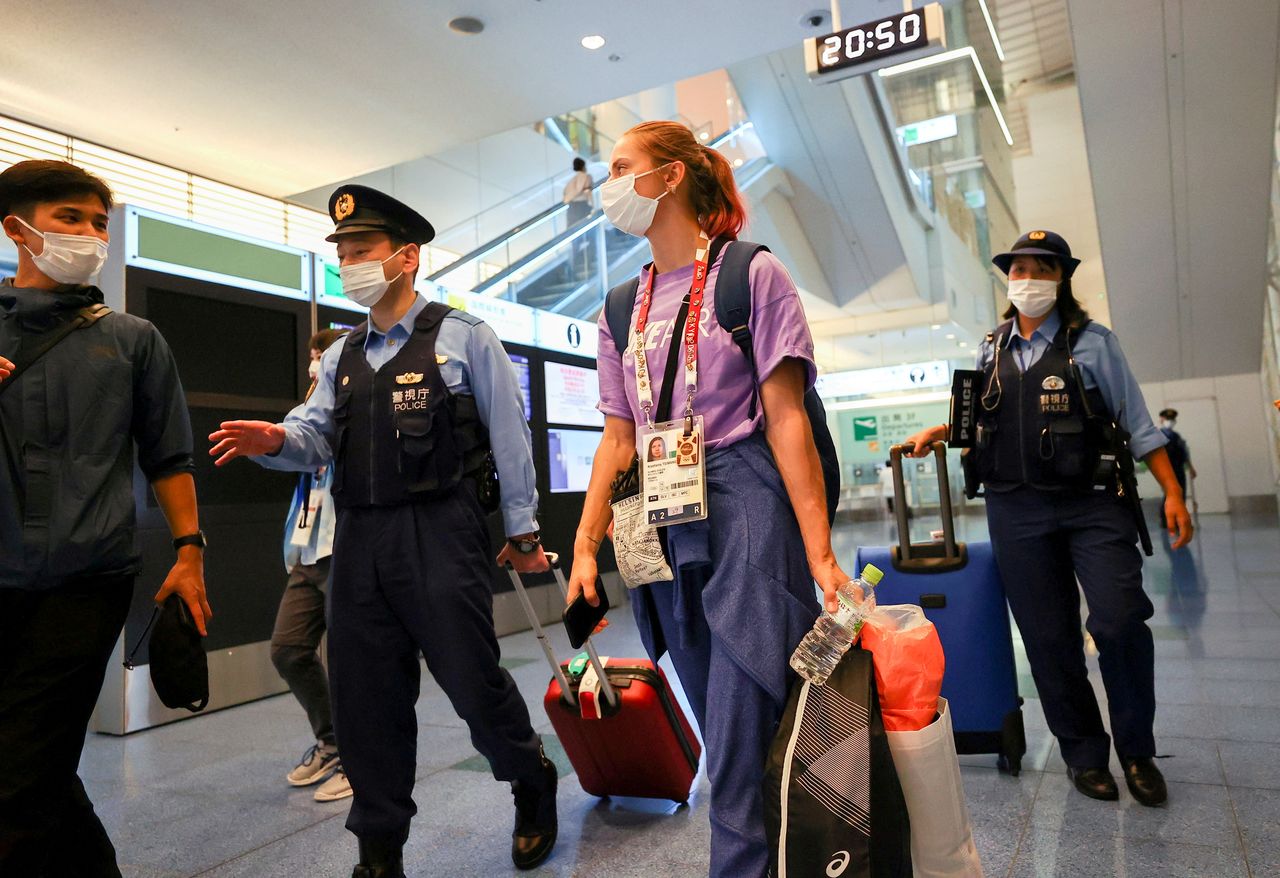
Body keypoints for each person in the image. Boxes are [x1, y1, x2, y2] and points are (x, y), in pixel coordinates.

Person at [208, 185, 557, 878]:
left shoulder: (463, 337)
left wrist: (522, 532)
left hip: (441, 534)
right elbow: (311, 437)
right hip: (357, 540)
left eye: (360, 251)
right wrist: (275, 436)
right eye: (341, 253)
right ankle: (379, 849)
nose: (348, 264)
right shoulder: (340, 357)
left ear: (406, 257)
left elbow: (511, 441)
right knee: (366, 700)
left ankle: (530, 780)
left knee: (472, 683)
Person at [566, 121, 845, 877]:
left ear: (671, 176)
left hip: (745, 499)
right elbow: (618, 440)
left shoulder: (749, 275)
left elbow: (786, 419)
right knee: (732, 733)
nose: (610, 182)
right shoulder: (620, 306)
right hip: (661, 514)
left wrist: (819, 552)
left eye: (623, 166)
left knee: (733, 733)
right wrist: (587, 546)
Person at [905, 230, 1192, 809]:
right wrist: (941, 430)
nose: (1028, 278)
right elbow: (979, 416)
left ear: (1061, 279)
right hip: (1016, 508)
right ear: (1008, 280)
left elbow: (1138, 423)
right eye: (1019, 269)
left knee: (1117, 621)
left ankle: (1136, 749)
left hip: (1093, 504)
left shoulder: (1094, 344)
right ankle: (1084, 753)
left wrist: (1173, 493)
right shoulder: (991, 348)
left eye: (1041, 268)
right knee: (1048, 637)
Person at [0, 160, 211, 876]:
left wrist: (190, 552)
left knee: (22, 776)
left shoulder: (132, 339)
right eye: (70, 219)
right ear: (16, 229)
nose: (90, 235)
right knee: (36, 766)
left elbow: (169, 456)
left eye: (99, 222)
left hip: (87, 580)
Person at [273, 327, 350, 803]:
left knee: (351, 663)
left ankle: (361, 761)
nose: (313, 364)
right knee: (288, 648)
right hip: (308, 547)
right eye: (311, 356)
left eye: (321, 355)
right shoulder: (305, 409)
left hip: (347, 546)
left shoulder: (354, 399)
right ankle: (332, 742)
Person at [1156, 408, 1196, 526]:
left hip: (1179, 468)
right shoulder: (1159, 435)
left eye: (1172, 419)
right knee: (1169, 494)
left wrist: (1191, 468)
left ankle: (1179, 519)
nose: (1170, 421)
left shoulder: (1176, 436)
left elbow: (1184, 453)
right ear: (1161, 419)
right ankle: (1165, 521)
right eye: (1168, 419)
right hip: (1168, 469)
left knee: (1181, 493)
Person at [562, 156, 593, 228]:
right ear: (583, 167)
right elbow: (588, 192)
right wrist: (592, 206)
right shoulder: (587, 177)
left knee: (573, 230)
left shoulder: (571, 181)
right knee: (587, 229)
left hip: (572, 208)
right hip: (583, 206)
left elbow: (565, 196)